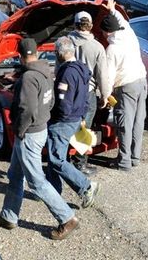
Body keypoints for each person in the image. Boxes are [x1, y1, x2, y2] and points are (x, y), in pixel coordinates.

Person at [0, 38, 80, 240]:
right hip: (39, 129)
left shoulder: (28, 78)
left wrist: (20, 129)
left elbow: (27, 109)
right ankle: (8, 216)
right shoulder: (46, 72)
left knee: (36, 182)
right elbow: (49, 102)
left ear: (20, 55)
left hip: (29, 134)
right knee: (15, 175)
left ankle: (67, 217)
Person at [46, 36, 100, 208]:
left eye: (55, 52)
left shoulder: (66, 73)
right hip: (76, 117)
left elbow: (63, 100)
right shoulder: (81, 69)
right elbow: (84, 95)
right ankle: (52, 190)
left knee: (56, 159)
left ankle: (86, 186)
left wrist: (56, 115)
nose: (55, 55)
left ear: (60, 53)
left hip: (64, 120)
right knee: (54, 154)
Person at [101, 0, 148, 172]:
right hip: (142, 82)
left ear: (107, 32)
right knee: (137, 121)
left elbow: (109, 76)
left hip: (126, 86)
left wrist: (105, 96)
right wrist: (112, 10)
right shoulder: (128, 33)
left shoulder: (112, 49)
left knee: (124, 123)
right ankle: (135, 157)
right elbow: (122, 21)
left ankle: (124, 161)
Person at [67, 10, 108, 174]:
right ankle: (80, 163)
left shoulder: (65, 43)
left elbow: (58, 68)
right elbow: (102, 74)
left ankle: (64, 160)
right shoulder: (97, 47)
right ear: (90, 26)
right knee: (85, 128)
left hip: (69, 93)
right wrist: (105, 95)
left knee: (67, 125)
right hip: (87, 94)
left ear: (75, 24)